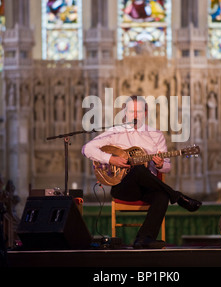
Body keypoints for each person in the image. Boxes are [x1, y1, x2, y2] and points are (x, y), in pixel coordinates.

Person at [82, 96, 202, 249]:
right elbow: (87, 148)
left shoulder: (156, 135)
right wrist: (111, 159)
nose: (135, 115)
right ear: (125, 113)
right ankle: (178, 197)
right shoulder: (114, 132)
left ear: (145, 113)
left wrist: (159, 165)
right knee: (138, 169)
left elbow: (167, 167)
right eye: (131, 111)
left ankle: (143, 239)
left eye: (138, 111)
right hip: (123, 187)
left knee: (162, 195)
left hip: (146, 189)